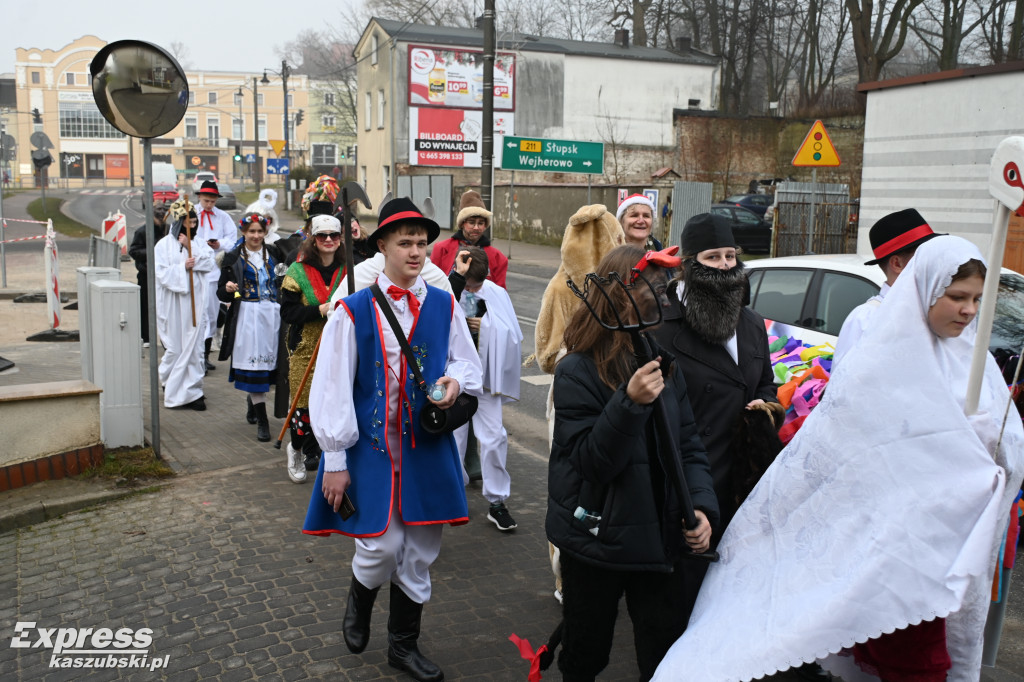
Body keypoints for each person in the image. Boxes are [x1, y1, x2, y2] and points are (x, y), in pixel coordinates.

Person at [651, 235, 1024, 682]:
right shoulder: (880, 363)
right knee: (917, 664)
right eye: (957, 297)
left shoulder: (974, 361)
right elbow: (855, 451)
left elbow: (1007, 442)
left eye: (977, 300)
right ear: (926, 290)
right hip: (894, 549)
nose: (968, 311)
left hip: (954, 546)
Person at [303, 197, 482, 682]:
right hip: (371, 447)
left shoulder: (444, 302)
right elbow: (333, 382)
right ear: (381, 246)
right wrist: (334, 458)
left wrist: (453, 384)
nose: (416, 251)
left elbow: (466, 364)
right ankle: (360, 597)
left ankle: (403, 647)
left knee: (421, 550)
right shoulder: (353, 307)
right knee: (381, 546)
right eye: (405, 242)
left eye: (422, 242)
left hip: (426, 446)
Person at [547, 244, 718, 682]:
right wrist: (628, 402)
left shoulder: (660, 361)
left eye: (665, 289)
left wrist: (699, 507)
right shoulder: (577, 371)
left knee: (662, 655)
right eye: (654, 289)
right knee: (586, 653)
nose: (664, 300)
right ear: (622, 294)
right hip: (596, 542)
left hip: (657, 541)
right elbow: (590, 464)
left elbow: (689, 446)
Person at [653, 213, 778, 533]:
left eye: (730, 255)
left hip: (741, 477)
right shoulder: (660, 325)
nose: (724, 264)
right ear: (686, 264)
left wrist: (764, 405)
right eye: (712, 257)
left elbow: (765, 381)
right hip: (686, 479)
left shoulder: (751, 323)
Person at [535, 202, 625, 602]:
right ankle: (565, 574)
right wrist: (586, 355)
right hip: (574, 399)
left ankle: (608, 566)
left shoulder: (630, 286)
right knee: (572, 488)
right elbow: (546, 356)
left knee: (616, 485)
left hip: (622, 399)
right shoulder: (560, 288)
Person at [450, 246, 523, 532]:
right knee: (453, 441)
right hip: (456, 377)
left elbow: (514, 334)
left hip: (485, 379)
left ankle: (497, 502)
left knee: (494, 438)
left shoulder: (495, 292)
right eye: (470, 284)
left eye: (477, 285)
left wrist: (487, 325)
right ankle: (451, 495)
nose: (473, 289)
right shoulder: (448, 287)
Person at [279, 214, 347, 483]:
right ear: (313, 239)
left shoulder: (352, 269)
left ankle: (334, 458)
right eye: (322, 235)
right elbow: (288, 311)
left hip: (341, 348)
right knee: (304, 409)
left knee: (338, 406)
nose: (329, 240)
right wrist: (320, 310)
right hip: (306, 347)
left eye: (334, 235)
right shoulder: (297, 271)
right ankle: (295, 449)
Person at [833, 207, 939, 365]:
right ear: (897, 263)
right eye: (925, 255)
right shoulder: (866, 319)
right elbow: (842, 381)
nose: (935, 261)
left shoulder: (936, 311)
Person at [216, 211, 285, 442]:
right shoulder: (233, 257)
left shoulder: (275, 253)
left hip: (273, 315)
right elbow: (222, 292)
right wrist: (231, 289)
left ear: (266, 232)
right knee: (254, 370)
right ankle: (263, 422)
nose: (256, 235)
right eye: (251, 231)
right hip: (248, 316)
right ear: (243, 232)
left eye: (259, 231)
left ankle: (253, 402)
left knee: (271, 365)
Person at [154, 198, 215, 411]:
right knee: (175, 347)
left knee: (195, 347)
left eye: (195, 222)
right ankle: (169, 381)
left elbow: (209, 262)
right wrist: (182, 267)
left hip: (195, 304)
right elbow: (161, 274)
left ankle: (193, 391)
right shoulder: (163, 246)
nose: (193, 226)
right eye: (188, 222)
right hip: (174, 305)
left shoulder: (197, 243)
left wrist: (192, 254)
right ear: (178, 222)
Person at [194, 180, 238, 371]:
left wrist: (218, 244)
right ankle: (195, 354)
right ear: (199, 198)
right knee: (197, 313)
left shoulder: (223, 217)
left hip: (214, 271)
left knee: (211, 314)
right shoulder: (192, 213)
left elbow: (232, 238)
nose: (209, 205)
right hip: (195, 269)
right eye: (206, 201)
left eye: (212, 201)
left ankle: (204, 353)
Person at [430, 189, 509, 287]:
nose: (476, 227)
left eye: (480, 223)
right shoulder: (441, 249)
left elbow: (499, 292)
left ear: (485, 226)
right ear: (462, 223)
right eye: (471, 222)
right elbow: (432, 282)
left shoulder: (498, 258)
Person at [128, 204, 168, 347]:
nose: (162, 213)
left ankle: (167, 340)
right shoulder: (142, 231)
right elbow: (133, 251)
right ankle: (146, 338)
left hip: (165, 275)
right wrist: (153, 251)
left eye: (164, 210)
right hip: (146, 274)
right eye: (158, 210)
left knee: (166, 308)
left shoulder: (169, 231)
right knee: (145, 306)